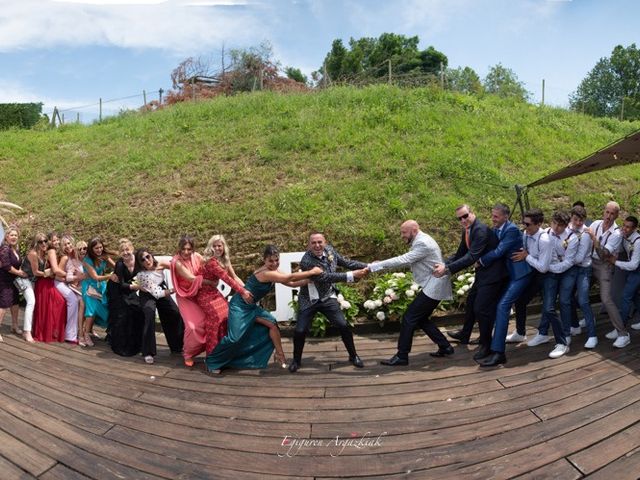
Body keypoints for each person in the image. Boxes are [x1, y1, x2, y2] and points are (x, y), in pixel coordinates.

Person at [205, 245, 322, 373]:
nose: (274, 263)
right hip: (239, 306)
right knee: (234, 338)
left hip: (251, 307)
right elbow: (289, 278)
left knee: (272, 323)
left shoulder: (275, 271)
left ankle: (280, 355)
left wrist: (309, 280)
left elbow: (292, 283)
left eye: (276, 260)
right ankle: (212, 361)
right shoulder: (265, 273)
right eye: (271, 261)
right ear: (264, 260)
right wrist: (312, 272)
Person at [369, 220, 454, 365]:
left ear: (414, 230)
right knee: (420, 318)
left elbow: (404, 259)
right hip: (433, 284)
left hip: (435, 285)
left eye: (404, 232)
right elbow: (409, 260)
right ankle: (445, 346)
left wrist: (378, 265)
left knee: (409, 317)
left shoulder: (423, 243)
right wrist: (380, 264)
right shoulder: (420, 239)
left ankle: (402, 356)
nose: (402, 235)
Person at [434, 204, 507, 361]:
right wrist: (444, 264)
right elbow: (461, 253)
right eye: (460, 218)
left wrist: (446, 270)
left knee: (481, 309)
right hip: (483, 273)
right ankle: (465, 334)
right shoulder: (468, 229)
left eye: (465, 216)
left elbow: (471, 257)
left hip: (494, 275)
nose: (463, 220)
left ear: (472, 213)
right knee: (471, 301)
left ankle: (486, 344)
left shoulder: (480, 230)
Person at [288, 232, 368, 373]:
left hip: (326, 297)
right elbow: (326, 277)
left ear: (325, 242)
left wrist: (368, 265)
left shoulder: (330, 250)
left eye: (320, 242)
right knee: (300, 331)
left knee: (343, 325)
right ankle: (296, 360)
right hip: (309, 299)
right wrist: (352, 275)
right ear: (309, 245)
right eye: (313, 243)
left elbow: (346, 262)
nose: (317, 245)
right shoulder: (307, 261)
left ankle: (353, 355)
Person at [474, 205, 532, 367]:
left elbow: (499, 251)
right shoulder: (498, 228)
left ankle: (499, 353)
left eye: (496, 216)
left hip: (520, 274)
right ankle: (490, 345)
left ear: (506, 217)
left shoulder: (511, 230)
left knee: (502, 306)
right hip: (508, 274)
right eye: (492, 215)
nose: (493, 219)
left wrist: (480, 261)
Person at [515, 211, 570, 359]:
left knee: (549, 308)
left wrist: (526, 257)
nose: (524, 227)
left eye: (528, 224)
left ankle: (562, 343)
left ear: (538, 224)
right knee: (520, 300)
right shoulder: (526, 234)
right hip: (536, 273)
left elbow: (543, 267)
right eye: (523, 223)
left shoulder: (544, 239)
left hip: (549, 275)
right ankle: (521, 333)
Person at [194, 235, 254, 366]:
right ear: (210, 247)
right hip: (204, 294)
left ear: (224, 247)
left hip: (214, 292)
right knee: (215, 319)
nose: (217, 248)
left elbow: (234, 277)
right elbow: (227, 280)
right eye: (214, 245)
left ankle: (224, 354)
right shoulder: (211, 262)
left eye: (219, 245)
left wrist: (248, 289)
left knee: (227, 316)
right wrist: (243, 292)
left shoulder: (224, 260)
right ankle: (211, 359)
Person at [585, 202, 629, 347]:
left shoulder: (616, 233)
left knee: (606, 299)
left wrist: (594, 240)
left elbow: (603, 255)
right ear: (603, 211)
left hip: (603, 266)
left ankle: (623, 333)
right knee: (575, 293)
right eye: (607, 212)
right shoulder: (596, 223)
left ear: (617, 215)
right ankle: (589, 318)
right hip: (588, 262)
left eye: (612, 214)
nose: (608, 216)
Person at [135, 248, 184, 364]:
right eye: (143, 260)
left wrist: (184, 279)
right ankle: (148, 352)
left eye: (148, 256)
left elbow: (176, 268)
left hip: (161, 287)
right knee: (149, 314)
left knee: (175, 312)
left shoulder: (160, 263)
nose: (147, 260)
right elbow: (157, 293)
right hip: (148, 294)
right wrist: (174, 289)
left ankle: (177, 346)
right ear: (140, 263)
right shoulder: (141, 275)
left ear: (151, 256)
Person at [170, 235, 208, 367]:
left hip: (198, 293)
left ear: (193, 249)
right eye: (183, 249)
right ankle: (188, 353)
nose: (186, 252)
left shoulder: (196, 256)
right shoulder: (177, 262)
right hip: (185, 296)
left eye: (189, 249)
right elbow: (192, 278)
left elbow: (207, 265)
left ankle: (208, 349)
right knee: (192, 327)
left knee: (207, 321)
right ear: (179, 248)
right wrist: (211, 282)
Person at [565, 205, 598, 349]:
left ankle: (592, 335)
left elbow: (579, 258)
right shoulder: (568, 229)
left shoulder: (585, 234)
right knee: (567, 297)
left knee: (583, 300)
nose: (578, 222)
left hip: (583, 269)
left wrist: (562, 257)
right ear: (571, 217)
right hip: (571, 268)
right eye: (575, 219)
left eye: (581, 220)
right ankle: (575, 325)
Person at [107, 239, 145, 356]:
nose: (125, 253)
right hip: (117, 289)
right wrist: (136, 287)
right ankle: (119, 341)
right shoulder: (119, 264)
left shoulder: (138, 261)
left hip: (131, 288)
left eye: (127, 250)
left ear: (132, 250)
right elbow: (121, 285)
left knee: (137, 309)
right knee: (123, 311)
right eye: (122, 251)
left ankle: (138, 342)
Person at [32, 232, 67, 342]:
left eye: (45, 241)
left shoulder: (48, 252)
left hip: (49, 282)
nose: (44, 243)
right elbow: (37, 272)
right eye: (41, 242)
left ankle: (52, 331)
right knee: (59, 302)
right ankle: (48, 332)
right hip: (43, 283)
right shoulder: (44, 252)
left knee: (53, 305)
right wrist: (68, 275)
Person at [81, 236, 114, 345]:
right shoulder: (86, 260)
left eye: (100, 247)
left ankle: (90, 330)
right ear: (91, 249)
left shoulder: (104, 256)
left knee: (105, 308)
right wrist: (110, 276)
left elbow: (115, 265)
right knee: (91, 309)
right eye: (96, 248)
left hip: (101, 286)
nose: (99, 250)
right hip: (90, 287)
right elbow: (95, 277)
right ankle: (85, 334)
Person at [0, 226, 29, 341]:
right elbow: (6, 266)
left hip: (13, 280)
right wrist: (20, 273)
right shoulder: (4, 249)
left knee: (15, 302)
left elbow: (17, 263)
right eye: (11, 235)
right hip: (4, 280)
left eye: (16, 235)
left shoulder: (15, 249)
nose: (14, 237)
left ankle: (14, 325)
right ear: (6, 237)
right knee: (3, 304)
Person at [612, 216, 640, 333]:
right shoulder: (624, 236)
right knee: (634, 297)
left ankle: (620, 328)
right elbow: (620, 250)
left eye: (628, 227)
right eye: (624, 225)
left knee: (625, 297)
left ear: (634, 229)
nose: (624, 229)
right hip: (633, 271)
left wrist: (615, 262)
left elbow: (633, 264)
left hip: (637, 270)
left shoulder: (638, 241)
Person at [54, 234, 82, 343]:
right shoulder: (65, 257)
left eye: (69, 243)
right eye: (64, 244)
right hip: (60, 282)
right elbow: (57, 275)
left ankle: (82, 331)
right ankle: (69, 335)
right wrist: (71, 279)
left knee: (81, 300)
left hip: (71, 283)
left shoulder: (76, 256)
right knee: (73, 300)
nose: (67, 246)